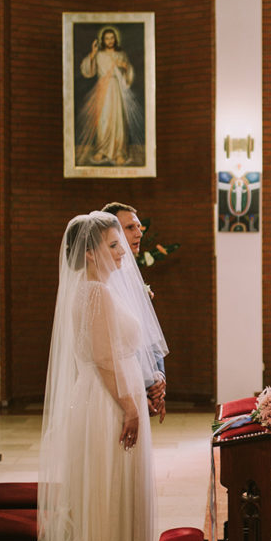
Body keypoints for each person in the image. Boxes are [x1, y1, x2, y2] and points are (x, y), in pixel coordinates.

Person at [37, 211, 168, 541]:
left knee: (116, 494)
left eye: (119, 244)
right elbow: (105, 359)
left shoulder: (102, 290)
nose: (122, 253)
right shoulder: (95, 294)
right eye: (113, 246)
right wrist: (130, 407)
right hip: (107, 404)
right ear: (91, 255)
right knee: (108, 496)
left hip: (113, 397)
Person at [102, 201, 166, 422]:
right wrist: (138, 387)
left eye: (139, 227)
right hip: (115, 392)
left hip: (140, 387)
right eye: (130, 228)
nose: (139, 232)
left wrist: (157, 380)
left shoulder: (132, 276)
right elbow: (107, 350)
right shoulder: (101, 281)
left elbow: (147, 336)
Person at [75, 27, 143, 167]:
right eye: (107, 38)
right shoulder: (99, 55)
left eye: (112, 38)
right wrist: (93, 54)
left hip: (116, 89)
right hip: (103, 89)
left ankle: (119, 152)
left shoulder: (121, 54)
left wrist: (124, 65)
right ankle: (102, 149)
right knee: (103, 119)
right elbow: (89, 72)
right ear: (103, 40)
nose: (110, 41)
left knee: (117, 119)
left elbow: (128, 72)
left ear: (115, 39)